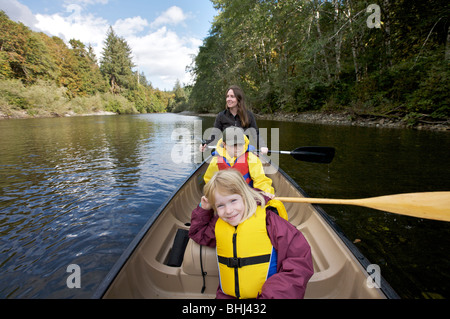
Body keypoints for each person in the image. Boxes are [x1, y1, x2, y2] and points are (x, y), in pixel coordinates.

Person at [189, 169, 314, 299]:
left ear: (245, 195)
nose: (229, 211)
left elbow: (299, 260)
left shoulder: (270, 220)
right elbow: (198, 233)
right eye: (220, 205)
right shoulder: (219, 223)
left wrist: (273, 295)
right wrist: (203, 209)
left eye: (233, 201)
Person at [200, 85, 269, 155]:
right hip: (226, 150)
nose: (228, 99)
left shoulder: (248, 115)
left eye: (232, 96)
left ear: (239, 99)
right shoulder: (221, 116)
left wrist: (262, 146)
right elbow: (214, 134)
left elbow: (255, 134)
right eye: (227, 96)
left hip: (243, 150)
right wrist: (206, 143)